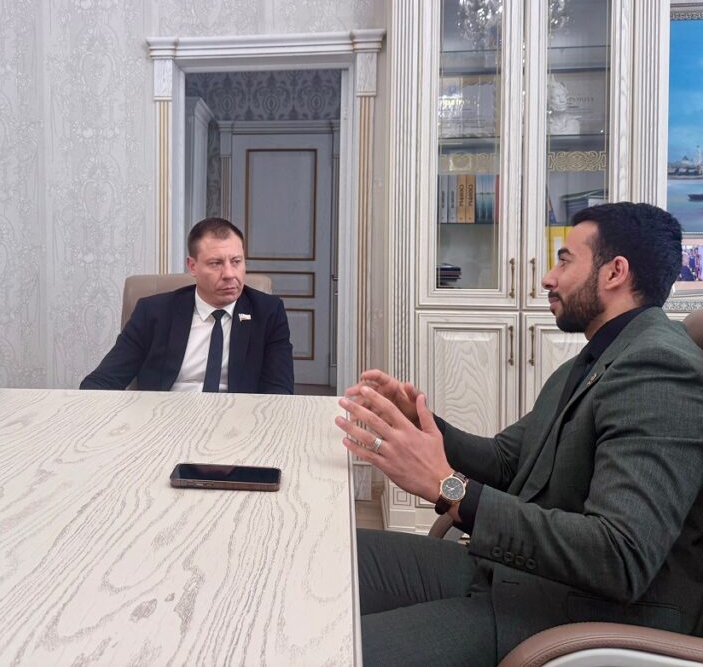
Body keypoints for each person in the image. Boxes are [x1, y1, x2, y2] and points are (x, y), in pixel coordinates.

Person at [336, 202, 703, 665]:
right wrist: (421, 423)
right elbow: (509, 461)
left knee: (334, 650)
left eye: (564, 261)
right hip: (512, 577)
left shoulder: (659, 369)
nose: (548, 278)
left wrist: (448, 488)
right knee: (333, 556)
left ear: (615, 272)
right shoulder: (596, 360)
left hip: (578, 616)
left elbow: (619, 555)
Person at [80, 217, 294, 394]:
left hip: (236, 420)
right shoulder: (153, 312)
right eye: (216, 263)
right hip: (164, 419)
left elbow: (280, 392)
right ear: (192, 266)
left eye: (236, 262)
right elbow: (101, 382)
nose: (229, 274)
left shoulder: (268, 312)